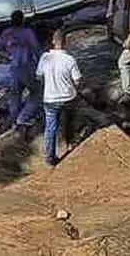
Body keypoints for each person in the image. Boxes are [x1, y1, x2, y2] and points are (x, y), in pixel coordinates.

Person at [0, 10, 42, 134]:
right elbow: (36, 49)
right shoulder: (27, 32)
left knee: (15, 95)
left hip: (13, 68)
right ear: (22, 20)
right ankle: (22, 119)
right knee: (36, 93)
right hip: (26, 67)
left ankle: (13, 119)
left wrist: (8, 52)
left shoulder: (6, 33)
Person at [37, 30, 82, 167]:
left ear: (53, 41)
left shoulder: (44, 58)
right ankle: (69, 142)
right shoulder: (70, 59)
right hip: (68, 97)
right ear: (65, 42)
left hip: (50, 99)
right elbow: (78, 79)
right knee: (69, 119)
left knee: (50, 127)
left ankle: (49, 158)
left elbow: (38, 77)